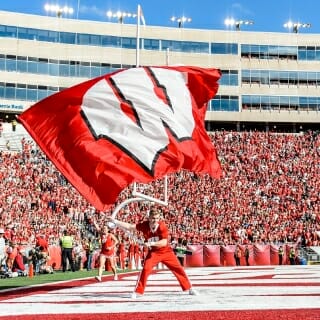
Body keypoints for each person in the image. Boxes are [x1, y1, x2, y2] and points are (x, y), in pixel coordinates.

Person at [107, 208, 198, 298]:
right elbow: (130, 226)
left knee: (178, 268)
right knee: (145, 269)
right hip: (154, 252)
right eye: (153, 218)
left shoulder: (162, 226)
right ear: (149, 218)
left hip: (166, 251)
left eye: (157, 218)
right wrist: (115, 221)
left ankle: (189, 288)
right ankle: (138, 291)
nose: (155, 220)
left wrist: (151, 243)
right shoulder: (145, 225)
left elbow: (164, 242)